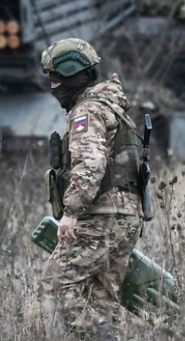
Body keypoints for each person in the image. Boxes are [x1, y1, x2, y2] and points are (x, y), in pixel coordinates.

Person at [40, 38, 144, 341]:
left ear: (72, 77)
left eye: (56, 79)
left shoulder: (88, 111)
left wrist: (71, 211)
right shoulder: (113, 106)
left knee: (57, 287)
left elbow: (91, 162)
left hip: (100, 214)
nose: (52, 87)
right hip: (125, 216)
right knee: (102, 299)